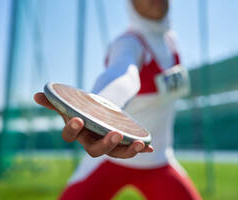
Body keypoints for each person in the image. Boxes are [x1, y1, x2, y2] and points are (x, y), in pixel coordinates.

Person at [34, 0, 202, 199]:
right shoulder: (128, 43)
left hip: (159, 160)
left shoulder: (171, 41)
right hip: (108, 160)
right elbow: (123, 74)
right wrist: (96, 108)